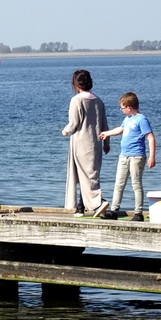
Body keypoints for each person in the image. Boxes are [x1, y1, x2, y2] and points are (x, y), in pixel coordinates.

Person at [98, 92, 156, 221]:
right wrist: (107, 133)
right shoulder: (127, 119)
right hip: (124, 156)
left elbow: (150, 137)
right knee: (119, 183)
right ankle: (114, 210)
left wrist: (152, 156)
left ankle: (138, 212)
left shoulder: (141, 119)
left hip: (137, 156)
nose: (121, 110)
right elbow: (120, 129)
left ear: (129, 107)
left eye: (122, 108)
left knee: (136, 184)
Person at [62, 69, 110, 218]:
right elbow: (104, 124)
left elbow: (74, 122)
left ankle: (97, 203)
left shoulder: (76, 100)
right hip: (95, 141)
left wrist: (65, 130)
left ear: (76, 84)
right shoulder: (98, 100)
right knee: (90, 174)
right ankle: (81, 207)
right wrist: (107, 142)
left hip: (80, 141)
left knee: (81, 174)